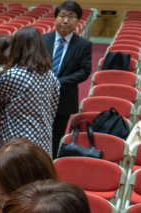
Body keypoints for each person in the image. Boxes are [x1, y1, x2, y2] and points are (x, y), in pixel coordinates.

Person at [0, 27, 60, 154]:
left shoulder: (14, 74)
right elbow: (53, 107)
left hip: (18, 139)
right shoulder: (51, 75)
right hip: (44, 138)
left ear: (17, 47)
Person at [43, 1, 92, 158]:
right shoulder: (42, 39)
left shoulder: (83, 44)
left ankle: (51, 163)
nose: (65, 20)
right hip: (38, 95)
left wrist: (57, 83)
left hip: (64, 97)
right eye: (62, 16)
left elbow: (84, 72)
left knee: (56, 136)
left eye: (70, 17)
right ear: (55, 18)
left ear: (77, 20)